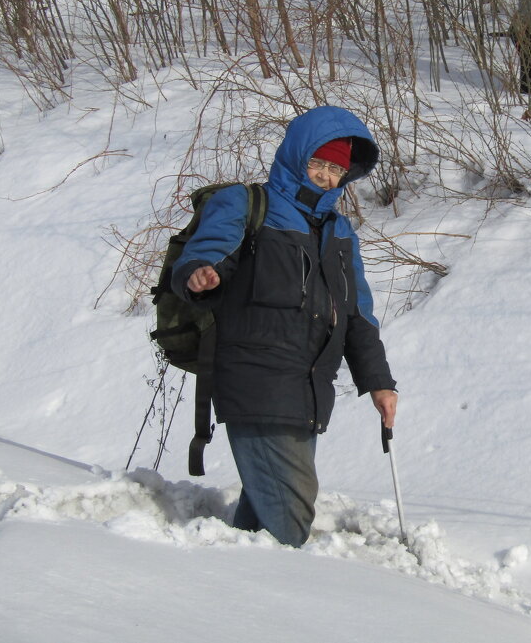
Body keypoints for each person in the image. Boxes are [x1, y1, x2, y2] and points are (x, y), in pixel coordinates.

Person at [170, 105, 398, 547]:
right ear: (297, 157)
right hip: (255, 383)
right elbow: (205, 252)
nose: (327, 178)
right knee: (291, 515)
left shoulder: (340, 232)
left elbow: (357, 315)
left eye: (337, 169)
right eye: (319, 163)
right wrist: (202, 272)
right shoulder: (247, 204)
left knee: (262, 522)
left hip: (308, 391)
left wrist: (379, 382)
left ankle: (221, 596)